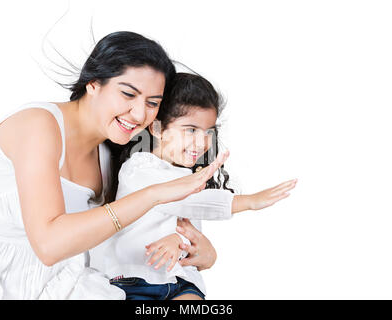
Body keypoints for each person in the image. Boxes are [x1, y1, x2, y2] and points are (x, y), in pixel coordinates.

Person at [0, 32, 228, 299]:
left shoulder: (112, 155)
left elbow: (129, 240)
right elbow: (49, 245)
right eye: (127, 94)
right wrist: (152, 194)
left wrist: (202, 254)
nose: (139, 114)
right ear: (93, 83)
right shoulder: (37, 125)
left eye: (152, 103)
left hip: (67, 284)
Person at [90, 73, 297, 300]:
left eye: (208, 132)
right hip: (135, 281)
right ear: (157, 129)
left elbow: (189, 229)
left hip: (181, 280)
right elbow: (185, 201)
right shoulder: (138, 170)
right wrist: (249, 201)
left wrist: (180, 241)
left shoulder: (187, 174)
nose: (202, 142)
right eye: (191, 130)